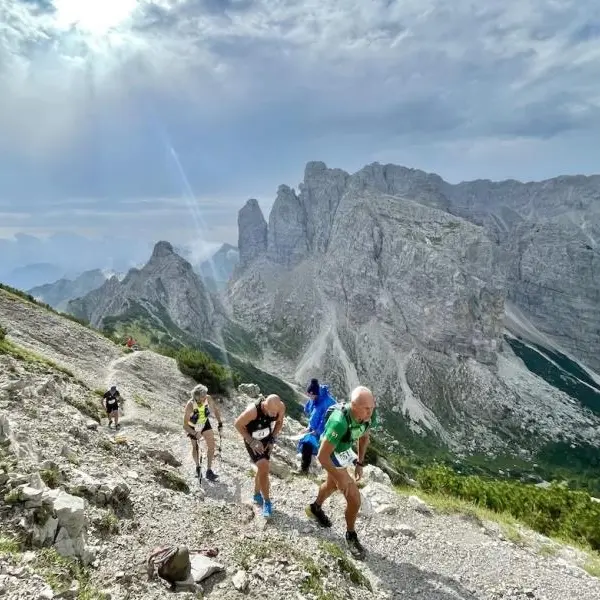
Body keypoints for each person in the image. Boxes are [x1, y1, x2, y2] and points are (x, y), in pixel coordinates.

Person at [305, 385, 376, 560]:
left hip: (344, 450)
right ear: (354, 405)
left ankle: (315, 508)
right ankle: (350, 535)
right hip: (330, 451)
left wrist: (359, 462)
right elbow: (322, 456)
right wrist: (341, 477)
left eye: (372, 408)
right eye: (367, 408)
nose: (370, 413)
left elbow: (364, 436)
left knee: (330, 485)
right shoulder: (339, 422)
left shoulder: (365, 416)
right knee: (354, 498)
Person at [234, 394, 285, 518]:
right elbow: (237, 424)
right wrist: (251, 441)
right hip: (252, 439)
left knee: (263, 468)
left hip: (266, 439)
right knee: (264, 466)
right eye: (271, 412)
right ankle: (267, 501)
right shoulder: (252, 411)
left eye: (276, 412)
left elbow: (279, 422)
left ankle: (257, 494)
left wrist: (272, 439)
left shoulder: (280, 407)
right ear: (264, 406)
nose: (274, 415)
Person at [183, 383, 224, 482]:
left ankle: (209, 471)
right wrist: (195, 433)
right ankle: (198, 467)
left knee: (212, 446)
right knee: (195, 447)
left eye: (205, 395)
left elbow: (215, 409)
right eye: (202, 396)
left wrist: (220, 422)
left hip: (204, 423)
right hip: (193, 426)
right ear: (196, 396)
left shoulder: (207, 398)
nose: (204, 398)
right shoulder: (190, 405)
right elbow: (185, 425)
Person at [297, 378, 336, 474]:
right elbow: (312, 411)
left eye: (311, 395)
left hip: (328, 430)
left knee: (311, 443)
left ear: (315, 393)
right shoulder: (315, 397)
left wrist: (317, 430)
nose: (309, 397)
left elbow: (325, 420)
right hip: (314, 428)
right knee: (307, 442)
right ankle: (304, 468)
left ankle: (330, 473)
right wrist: (309, 428)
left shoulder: (327, 402)